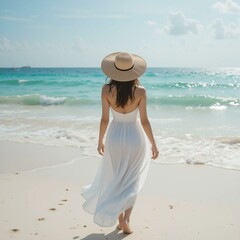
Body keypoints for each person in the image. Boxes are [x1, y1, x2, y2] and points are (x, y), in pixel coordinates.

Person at [82, 52, 159, 234]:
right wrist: (153, 144)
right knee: (133, 179)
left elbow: (104, 119)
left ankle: (119, 219)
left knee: (116, 178)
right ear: (134, 71)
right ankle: (126, 220)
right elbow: (145, 121)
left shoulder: (106, 90)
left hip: (114, 136)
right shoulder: (140, 91)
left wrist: (100, 140)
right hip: (135, 136)